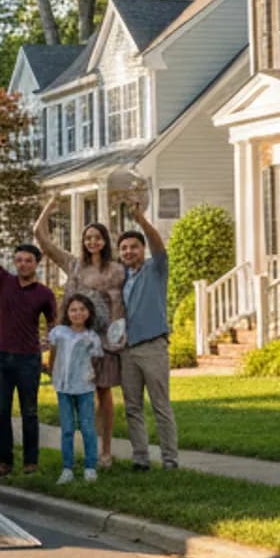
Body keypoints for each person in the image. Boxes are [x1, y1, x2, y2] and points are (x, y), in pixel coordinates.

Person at [32, 197, 126, 468]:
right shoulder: (73, 264)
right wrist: (49, 206)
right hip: (74, 340)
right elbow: (42, 238)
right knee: (76, 394)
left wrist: (116, 337)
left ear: (105, 241)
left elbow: (122, 306)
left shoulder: (116, 269)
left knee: (103, 394)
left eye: (97, 237)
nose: (92, 242)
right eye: (88, 238)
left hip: (103, 341)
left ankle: (105, 450)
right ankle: (84, 451)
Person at [0, 196, 58, 481]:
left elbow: (54, 328)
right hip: (1, 359)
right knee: (1, 412)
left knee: (30, 413)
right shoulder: (4, 281)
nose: (22, 264)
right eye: (18, 260)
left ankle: (30, 463)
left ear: (37, 264)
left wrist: (51, 358)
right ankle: (4, 462)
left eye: (28, 260)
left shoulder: (44, 294)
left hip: (29, 360)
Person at [114, 191, 179, 470]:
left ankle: (170, 460)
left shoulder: (156, 268)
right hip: (127, 350)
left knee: (161, 406)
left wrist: (140, 219)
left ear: (142, 249)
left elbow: (157, 243)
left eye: (133, 247)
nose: (129, 251)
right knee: (132, 408)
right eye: (124, 248)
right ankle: (140, 458)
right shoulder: (120, 276)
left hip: (153, 346)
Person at [44, 293, 104, 484]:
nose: (77, 313)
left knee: (87, 428)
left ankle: (90, 467)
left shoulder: (92, 337)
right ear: (67, 313)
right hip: (63, 387)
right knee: (67, 429)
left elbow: (96, 362)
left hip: (85, 388)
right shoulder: (59, 332)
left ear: (88, 312)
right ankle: (67, 469)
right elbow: (52, 356)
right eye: (73, 310)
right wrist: (53, 373)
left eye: (81, 309)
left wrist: (92, 377)